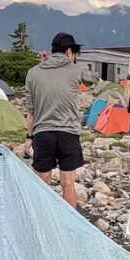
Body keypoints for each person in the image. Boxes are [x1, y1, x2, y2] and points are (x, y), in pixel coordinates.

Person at [25, 32, 85, 208]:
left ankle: (43, 221)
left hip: (43, 133)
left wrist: (29, 137)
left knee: (43, 185)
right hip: (69, 133)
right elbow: (61, 74)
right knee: (68, 184)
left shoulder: (33, 73)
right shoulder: (76, 71)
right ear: (69, 52)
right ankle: (70, 221)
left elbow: (31, 111)